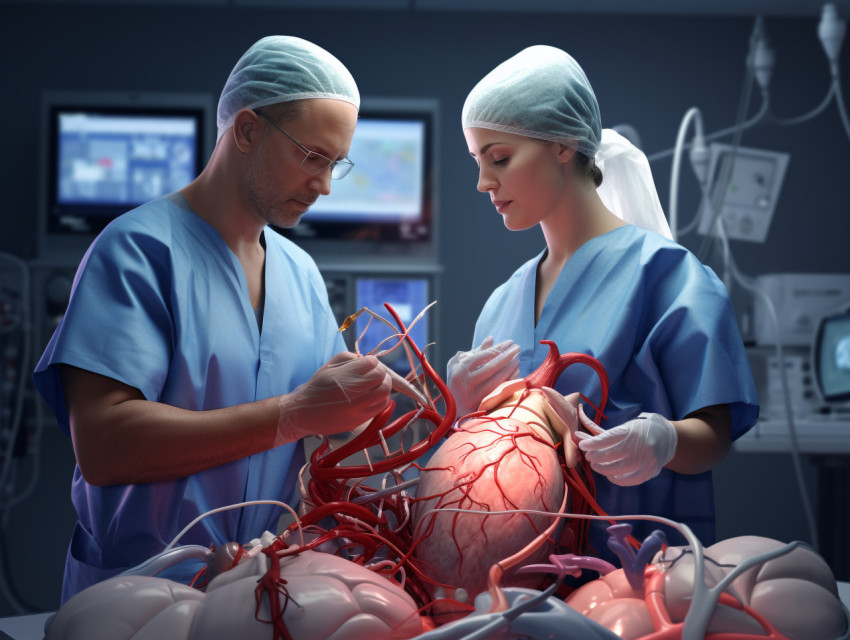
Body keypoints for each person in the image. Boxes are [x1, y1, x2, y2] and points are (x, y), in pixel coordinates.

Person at [33, 35, 395, 602]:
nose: (324, 186)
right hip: (134, 597)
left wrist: (400, 409)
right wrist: (293, 413)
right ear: (247, 129)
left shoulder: (299, 274)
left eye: (336, 165)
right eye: (311, 157)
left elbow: (330, 438)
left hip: (255, 594)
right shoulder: (137, 250)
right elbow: (104, 447)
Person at [447, 45, 759, 559]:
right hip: (506, 577)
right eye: (477, 161)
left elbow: (714, 437)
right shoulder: (504, 301)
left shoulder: (667, 278)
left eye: (499, 157)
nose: (484, 182)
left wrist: (664, 441)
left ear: (565, 144)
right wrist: (460, 414)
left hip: (630, 573)